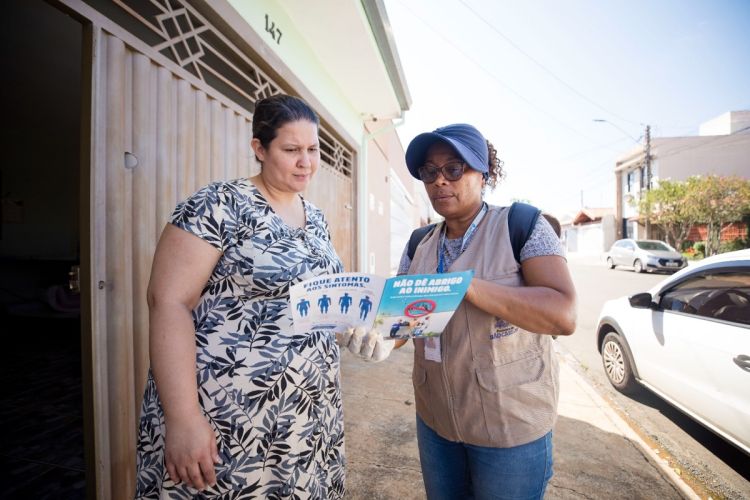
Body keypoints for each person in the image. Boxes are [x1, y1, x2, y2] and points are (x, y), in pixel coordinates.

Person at [343, 123, 577, 499]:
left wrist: (467, 286)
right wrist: (385, 339)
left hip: (510, 429)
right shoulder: (419, 243)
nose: (439, 181)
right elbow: (402, 321)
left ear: (482, 174)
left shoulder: (522, 225)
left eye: (454, 169)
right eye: (429, 172)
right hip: (437, 425)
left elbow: (563, 315)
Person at [135, 94, 346, 499]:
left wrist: (353, 327)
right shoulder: (217, 205)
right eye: (291, 150)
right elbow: (167, 302)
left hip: (305, 421)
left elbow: (312, 301)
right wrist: (182, 418)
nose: (307, 161)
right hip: (228, 418)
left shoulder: (315, 218)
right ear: (259, 149)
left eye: (313, 149)